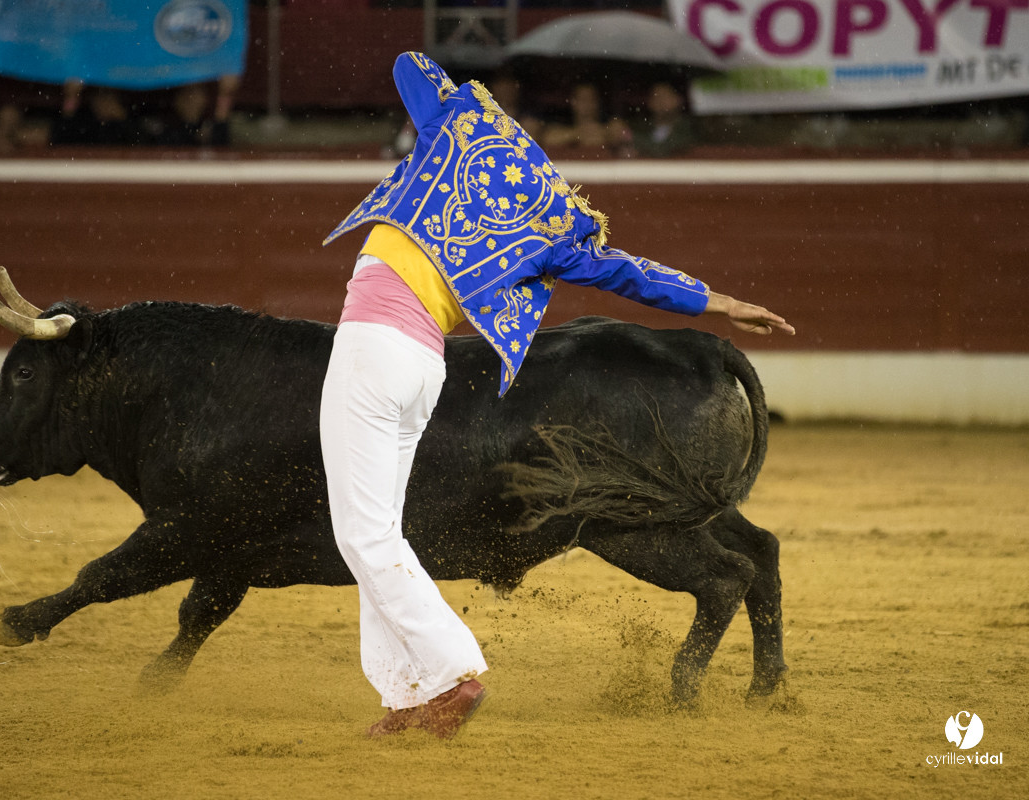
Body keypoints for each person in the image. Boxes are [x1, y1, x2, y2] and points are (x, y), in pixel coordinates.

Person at [320, 51, 794, 741]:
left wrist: (477, 114)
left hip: (372, 348)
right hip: (424, 365)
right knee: (380, 536)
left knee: (362, 536)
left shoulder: (455, 143)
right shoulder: (546, 228)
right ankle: (409, 694)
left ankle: (450, 672)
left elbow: (408, 67)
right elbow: (630, 275)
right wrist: (719, 301)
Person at [541, 82, 629, 154]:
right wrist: (578, 134)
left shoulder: (611, 125)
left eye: (591, 99)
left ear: (597, 102)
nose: (587, 104)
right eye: (582, 99)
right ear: (573, 102)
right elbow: (547, 139)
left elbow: (620, 135)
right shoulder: (561, 124)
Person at [631, 82, 698, 158]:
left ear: (679, 100)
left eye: (665, 96)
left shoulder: (690, 127)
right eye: (656, 97)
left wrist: (629, 137)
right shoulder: (641, 127)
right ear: (649, 103)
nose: (661, 101)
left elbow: (665, 150)